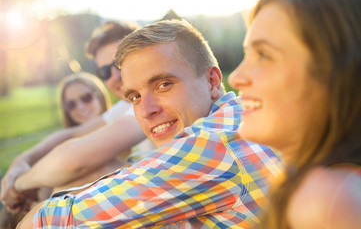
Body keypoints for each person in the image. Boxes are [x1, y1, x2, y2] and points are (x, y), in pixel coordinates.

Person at [18, 19, 282, 228]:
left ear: (213, 81)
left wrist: (18, 187)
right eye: (134, 96)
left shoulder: (212, 146)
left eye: (164, 84)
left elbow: (40, 223)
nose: (146, 110)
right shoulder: (238, 116)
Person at [228, 0, 361, 228]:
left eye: (263, 55)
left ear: (334, 72)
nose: (236, 78)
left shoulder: (328, 197)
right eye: (247, 54)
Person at [0, 20, 156, 214]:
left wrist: (20, 184)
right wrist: (20, 163)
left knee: (90, 171)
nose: (115, 76)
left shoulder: (150, 103)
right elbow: (71, 135)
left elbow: (75, 160)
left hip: (163, 205)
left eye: (120, 62)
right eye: (105, 71)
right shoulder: (127, 105)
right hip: (149, 198)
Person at [0, 72, 111, 228]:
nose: (81, 107)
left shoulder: (119, 124)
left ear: (99, 95)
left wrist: (20, 184)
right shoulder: (66, 142)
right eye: (71, 104)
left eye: (86, 98)